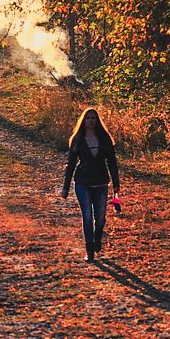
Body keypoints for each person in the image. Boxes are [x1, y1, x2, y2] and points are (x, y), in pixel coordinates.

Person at [61, 108, 120, 261]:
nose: (91, 121)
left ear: (97, 120)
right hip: (83, 182)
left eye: (93, 118)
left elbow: (112, 162)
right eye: (88, 118)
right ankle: (90, 251)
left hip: (101, 182)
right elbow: (71, 164)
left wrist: (116, 185)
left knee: (100, 218)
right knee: (87, 216)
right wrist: (65, 187)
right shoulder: (78, 139)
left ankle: (97, 237)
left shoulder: (104, 138)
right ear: (83, 121)